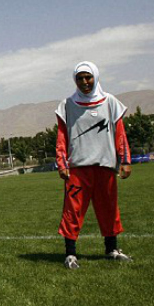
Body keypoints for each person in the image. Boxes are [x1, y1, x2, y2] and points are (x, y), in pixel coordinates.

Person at [55, 61, 133, 270]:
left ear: (96, 77)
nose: (84, 82)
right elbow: (62, 137)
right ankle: (70, 254)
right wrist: (62, 163)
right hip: (78, 169)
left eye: (88, 77)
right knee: (73, 211)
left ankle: (112, 249)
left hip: (105, 166)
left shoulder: (110, 102)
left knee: (108, 209)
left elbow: (120, 135)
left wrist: (125, 160)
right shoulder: (67, 105)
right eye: (79, 78)